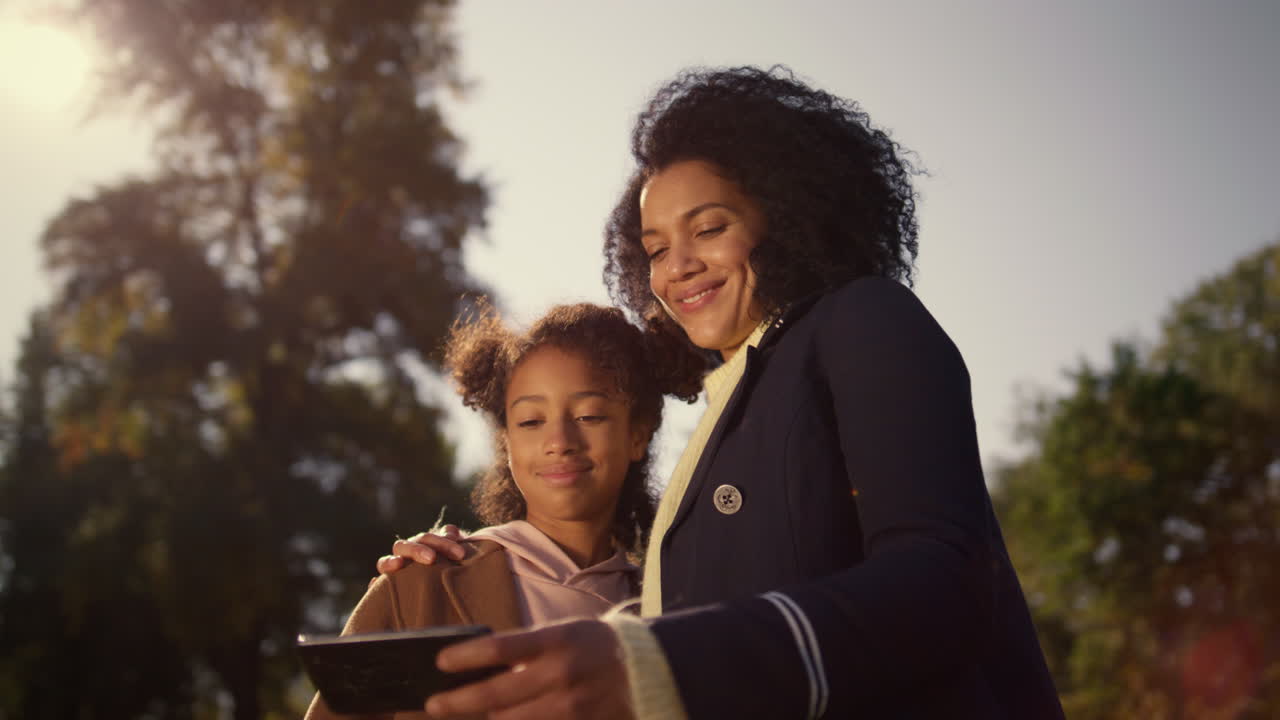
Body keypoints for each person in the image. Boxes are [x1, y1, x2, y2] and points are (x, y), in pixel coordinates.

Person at [381, 65, 1065, 719]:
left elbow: (945, 584)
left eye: (709, 228)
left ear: (787, 215)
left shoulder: (862, 317)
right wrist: (469, 562)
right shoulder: (726, 413)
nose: (677, 266)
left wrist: (655, 663)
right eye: (654, 248)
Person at [305, 301, 700, 720]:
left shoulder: (668, 610)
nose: (559, 440)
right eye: (531, 421)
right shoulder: (422, 584)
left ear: (638, 435)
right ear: (507, 443)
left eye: (588, 415)